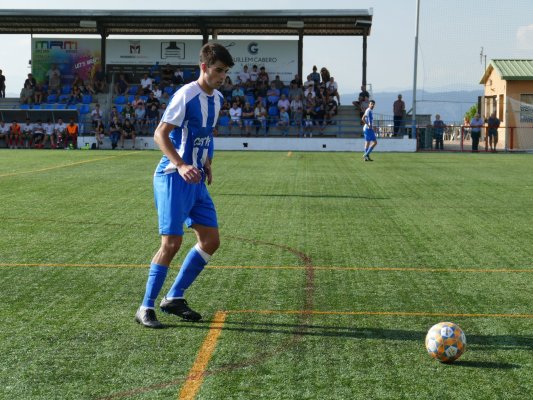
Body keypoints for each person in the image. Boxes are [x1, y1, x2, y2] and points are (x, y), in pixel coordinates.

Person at [135, 42, 234, 328]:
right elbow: (160, 134)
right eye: (218, 70)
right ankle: (146, 307)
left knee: (211, 241)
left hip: (196, 179)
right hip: (173, 177)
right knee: (172, 243)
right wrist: (181, 164)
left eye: (225, 72)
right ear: (204, 67)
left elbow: (205, 135)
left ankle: (174, 297)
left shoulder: (217, 99)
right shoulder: (186, 95)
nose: (222, 76)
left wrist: (208, 163)